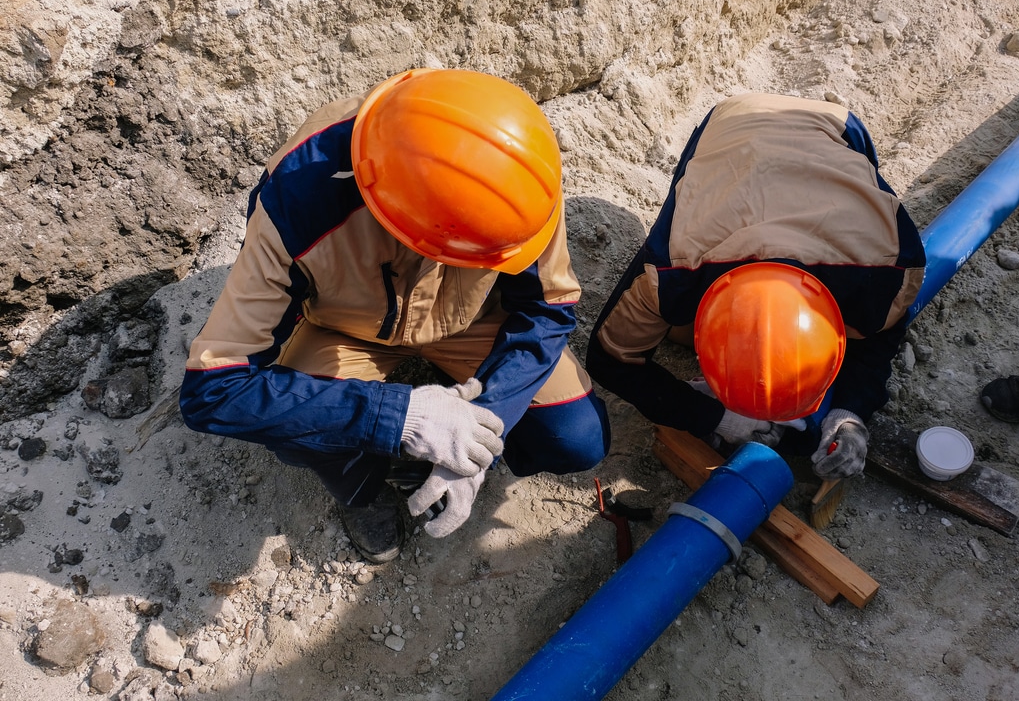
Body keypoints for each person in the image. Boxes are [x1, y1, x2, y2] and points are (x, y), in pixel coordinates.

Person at [180, 68, 610, 563]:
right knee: (296, 425)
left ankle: (449, 449)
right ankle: (361, 487)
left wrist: (485, 428)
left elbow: (547, 308)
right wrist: (401, 417)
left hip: (468, 321)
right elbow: (211, 390)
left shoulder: (520, 177)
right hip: (343, 327)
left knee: (575, 438)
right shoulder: (299, 199)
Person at [587, 92, 926, 481]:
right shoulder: (671, 270)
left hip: (836, 129)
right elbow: (607, 358)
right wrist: (716, 416)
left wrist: (850, 413)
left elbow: (880, 341)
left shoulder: (889, 274)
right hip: (731, 124)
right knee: (674, 317)